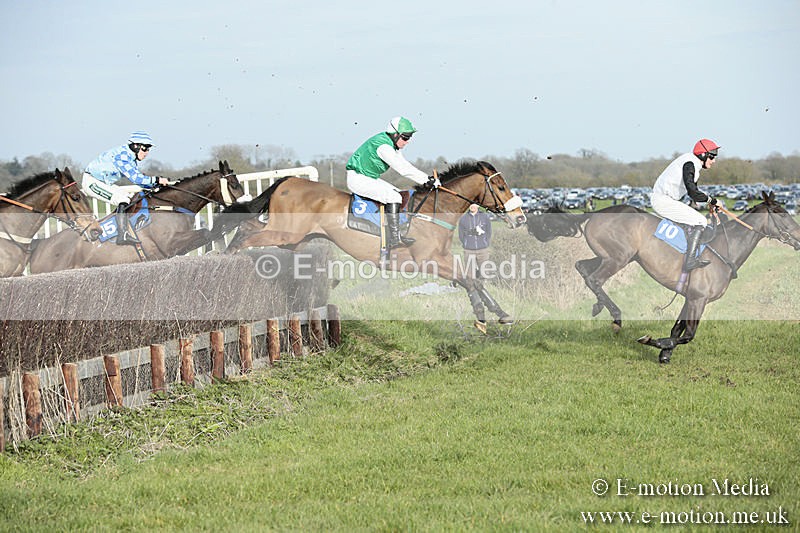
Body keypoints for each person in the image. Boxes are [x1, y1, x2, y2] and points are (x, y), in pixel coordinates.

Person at [346, 116, 436, 248]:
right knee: (394, 197)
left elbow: (405, 164)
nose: (407, 141)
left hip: (367, 177)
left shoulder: (391, 144)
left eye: (409, 137)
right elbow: (403, 169)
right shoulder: (384, 146)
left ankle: (395, 232)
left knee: (397, 194)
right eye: (405, 137)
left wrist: (427, 179)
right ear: (395, 134)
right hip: (358, 179)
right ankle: (394, 239)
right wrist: (426, 180)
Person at [82, 131, 169, 244]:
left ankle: (123, 230)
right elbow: (137, 179)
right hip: (92, 182)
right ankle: (122, 235)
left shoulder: (130, 157)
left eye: (148, 149)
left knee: (129, 198)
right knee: (123, 200)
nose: (147, 153)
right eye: (145, 148)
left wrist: (154, 185)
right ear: (135, 146)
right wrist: (157, 180)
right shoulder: (123, 156)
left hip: (103, 182)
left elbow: (140, 181)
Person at [651, 138, 720, 271]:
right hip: (663, 201)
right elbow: (693, 192)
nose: (714, 161)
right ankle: (690, 260)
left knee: (695, 218)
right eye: (712, 157)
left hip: (666, 199)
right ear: (703, 154)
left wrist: (708, 202)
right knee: (700, 221)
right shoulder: (690, 163)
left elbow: (693, 193)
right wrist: (712, 200)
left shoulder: (691, 162)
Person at [458, 203, 493, 279]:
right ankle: (472, 288)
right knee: (469, 273)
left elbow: (489, 232)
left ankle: (482, 287)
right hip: (468, 250)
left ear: (478, 206)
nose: (472, 206)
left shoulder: (485, 217)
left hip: (483, 250)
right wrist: (466, 243)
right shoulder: (463, 218)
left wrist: (485, 243)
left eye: (474, 204)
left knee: (484, 272)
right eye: (470, 204)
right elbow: (461, 235)